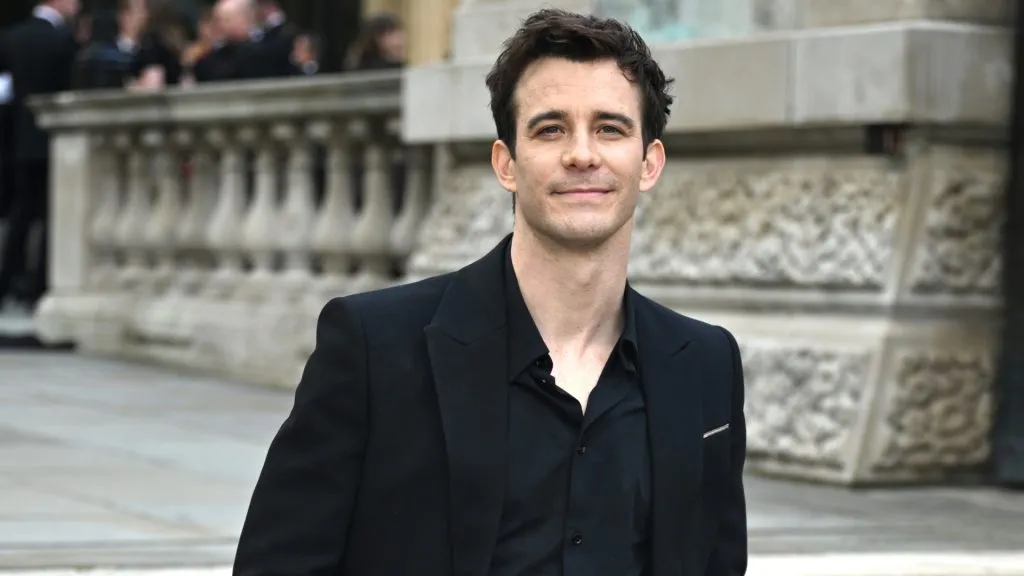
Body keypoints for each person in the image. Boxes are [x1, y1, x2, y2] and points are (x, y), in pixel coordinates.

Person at [233, 8, 747, 576]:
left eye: (610, 128)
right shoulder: (373, 347)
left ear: (649, 163)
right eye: (551, 129)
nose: (582, 154)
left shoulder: (705, 364)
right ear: (507, 163)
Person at [0, 0, 81, 308]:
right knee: (52, 216)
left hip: (19, 139)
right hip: (55, 140)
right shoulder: (64, 42)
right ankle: (39, 283)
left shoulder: (10, 37)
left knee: (21, 214)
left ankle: (8, 277)